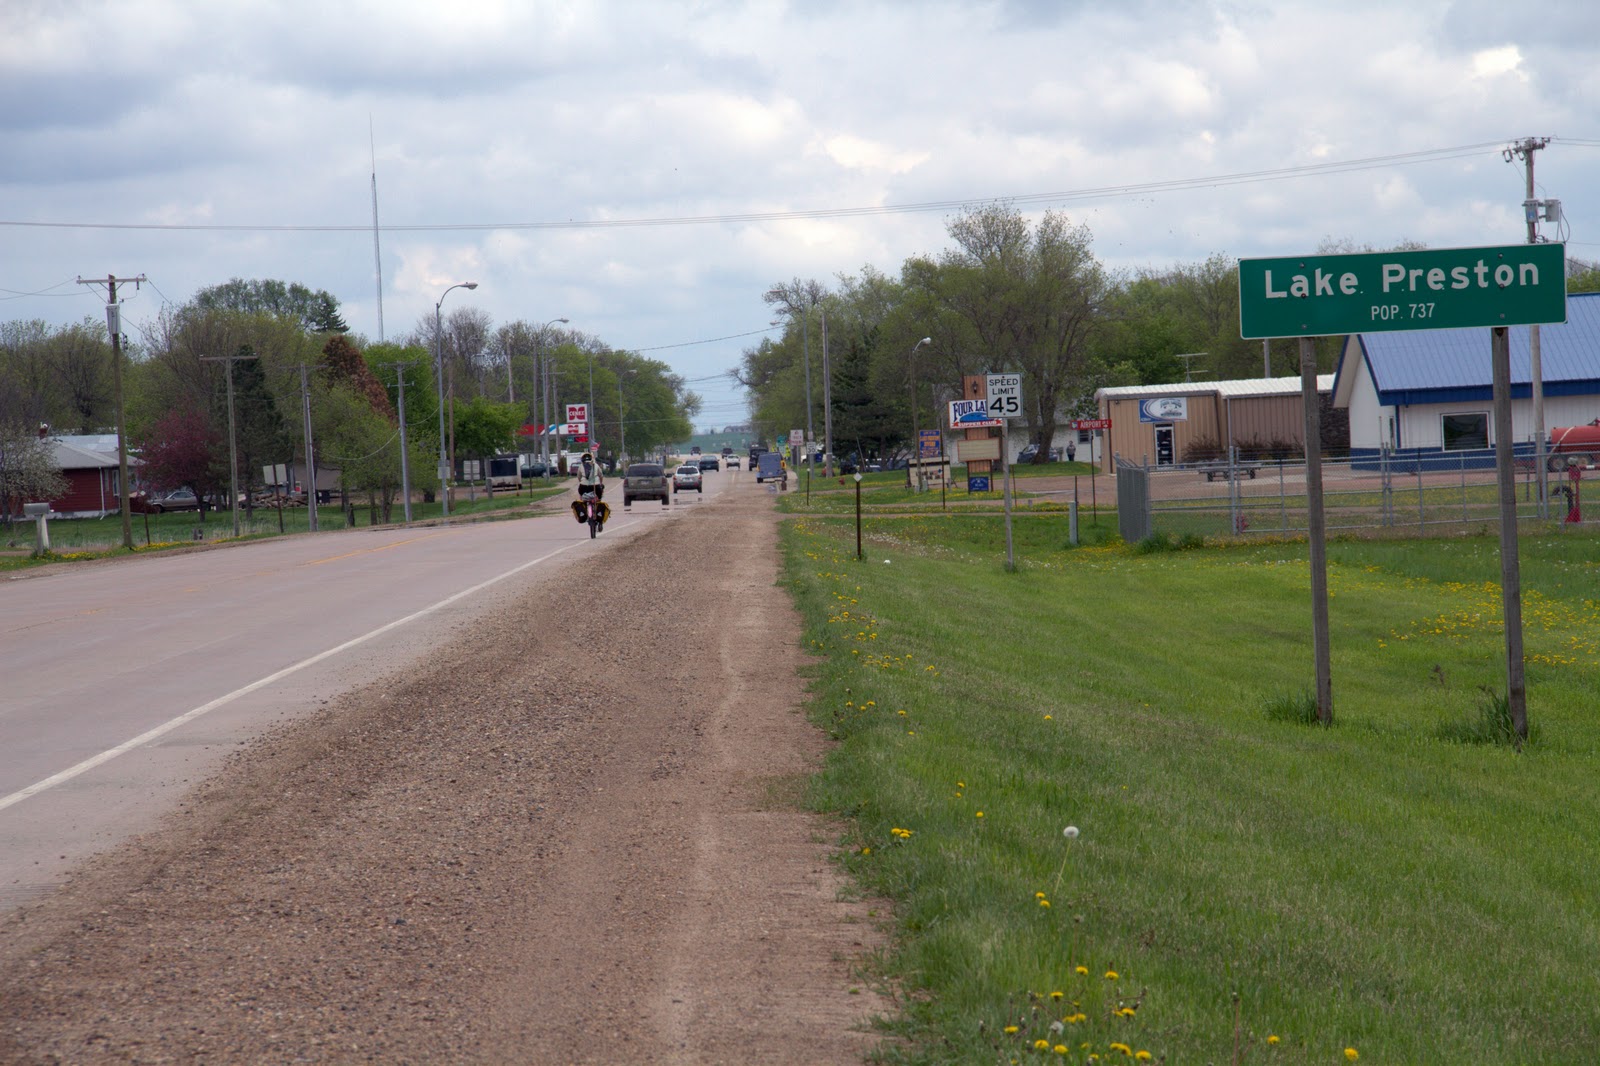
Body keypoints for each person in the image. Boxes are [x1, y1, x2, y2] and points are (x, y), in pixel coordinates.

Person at [570, 453, 611, 526]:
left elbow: (579, 477)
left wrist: (582, 482)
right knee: (599, 498)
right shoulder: (596, 465)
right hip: (595, 486)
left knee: (582, 496)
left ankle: (584, 509)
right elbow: (601, 475)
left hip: (583, 487)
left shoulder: (581, 466)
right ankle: (598, 512)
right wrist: (600, 483)